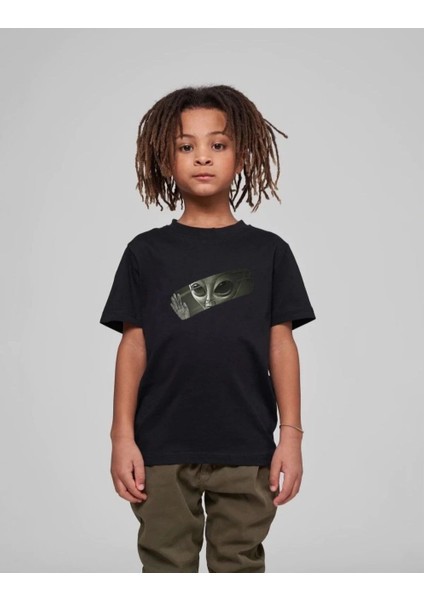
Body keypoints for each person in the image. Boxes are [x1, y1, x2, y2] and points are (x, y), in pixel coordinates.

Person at [99, 84, 316, 573]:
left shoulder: (269, 252)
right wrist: (120, 436)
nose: (202, 157)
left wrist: (292, 436)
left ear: (242, 155)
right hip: (160, 447)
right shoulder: (145, 253)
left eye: (218, 144)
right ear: (165, 158)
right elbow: (133, 347)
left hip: (246, 445)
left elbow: (281, 345)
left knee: (239, 567)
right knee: (165, 567)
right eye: (186, 146)